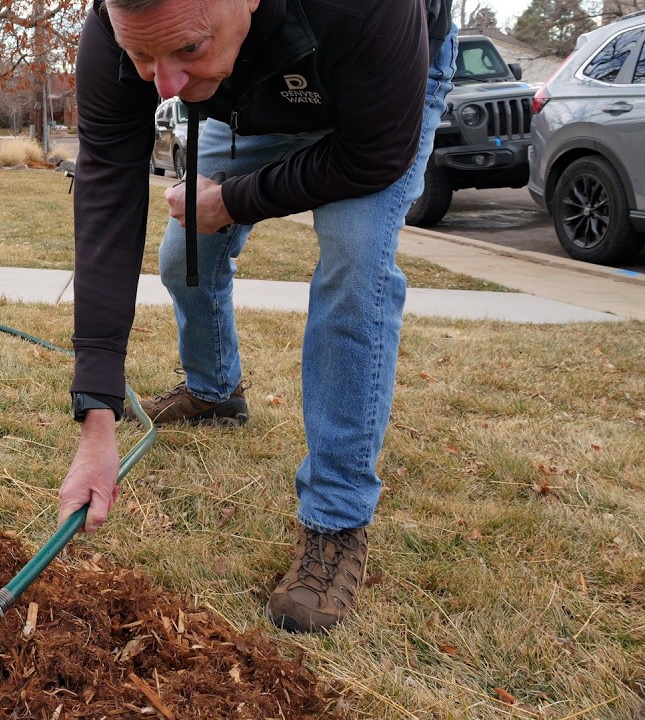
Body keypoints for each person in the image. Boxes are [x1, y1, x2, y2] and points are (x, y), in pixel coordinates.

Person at [58, 0, 456, 633]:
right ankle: (216, 392)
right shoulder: (127, 29)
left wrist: (237, 199)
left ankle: (336, 523)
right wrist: (96, 413)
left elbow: (372, 157)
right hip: (247, 93)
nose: (163, 86)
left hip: (372, 80)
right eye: (142, 58)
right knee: (182, 250)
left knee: (355, 265)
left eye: (186, 49)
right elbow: (109, 185)